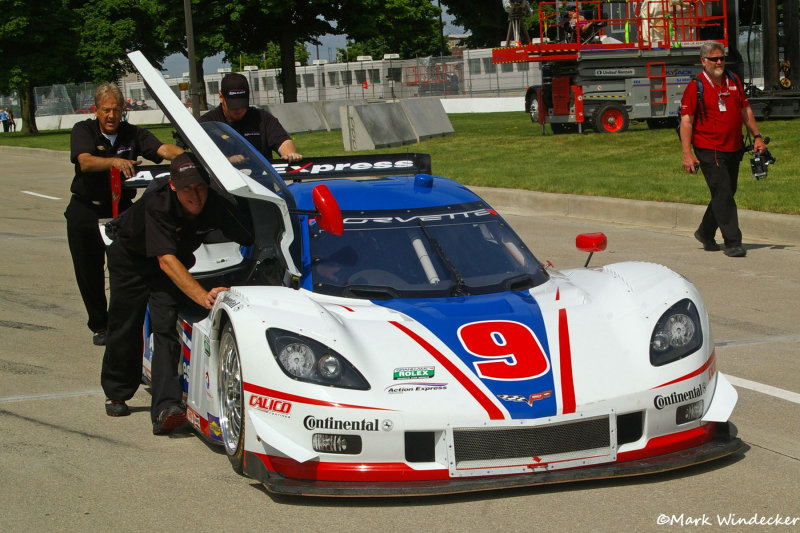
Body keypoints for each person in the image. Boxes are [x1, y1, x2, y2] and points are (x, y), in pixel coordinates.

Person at [101, 152, 253, 434]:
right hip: (131, 259)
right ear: (173, 186)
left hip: (171, 264)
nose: (195, 195)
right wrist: (201, 295)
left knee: (165, 325)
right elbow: (165, 260)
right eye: (187, 189)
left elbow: (251, 235)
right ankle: (117, 391)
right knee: (125, 324)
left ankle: (165, 409)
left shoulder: (214, 203)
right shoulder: (157, 202)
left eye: (199, 187)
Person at [66, 82, 183, 346]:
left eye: (116, 110)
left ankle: (128, 322)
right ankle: (100, 325)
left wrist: (186, 156)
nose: (111, 116)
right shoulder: (83, 130)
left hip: (121, 211)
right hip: (85, 210)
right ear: (96, 111)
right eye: (106, 110)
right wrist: (114, 162)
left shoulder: (132, 134)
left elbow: (160, 149)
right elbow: (85, 161)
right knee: (89, 271)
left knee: (129, 268)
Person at [680, 41, 766, 258]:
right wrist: (687, 153)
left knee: (726, 192)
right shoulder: (695, 86)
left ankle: (705, 232)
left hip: (733, 147)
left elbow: (745, 110)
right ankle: (733, 241)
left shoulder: (733, 80)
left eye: (721, 58)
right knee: (723, 191)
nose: (719, 62)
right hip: (709, 148)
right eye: (714, 59)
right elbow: (687, 121)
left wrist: (757, 136)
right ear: (703, 61)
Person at [199, 72, 302, 162]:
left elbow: (283, 141)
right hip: (225, 182)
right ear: (221, 97)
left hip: (261, 180)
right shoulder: (207, 123)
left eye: (241, 104)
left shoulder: (262, 118)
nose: (238, 109)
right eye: (233, 105)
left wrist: (289, 154)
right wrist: (228, 160)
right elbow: (202, 155)